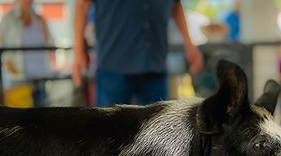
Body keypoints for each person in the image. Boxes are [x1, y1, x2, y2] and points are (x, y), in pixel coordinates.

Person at [73, 0, 203, 106]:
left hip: (155, 64)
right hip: (113, 64)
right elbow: (82, 4)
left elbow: (176, 5)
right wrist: (78, 51)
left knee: (157, 131)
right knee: (109, 131)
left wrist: (189, 45)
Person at [0, 0, 54, 107]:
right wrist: (9, 66)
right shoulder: (7, 19)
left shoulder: (40, 20)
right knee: (21, 119)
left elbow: (50, 44)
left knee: (41, 116)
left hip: (39, 79)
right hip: (19, 80)